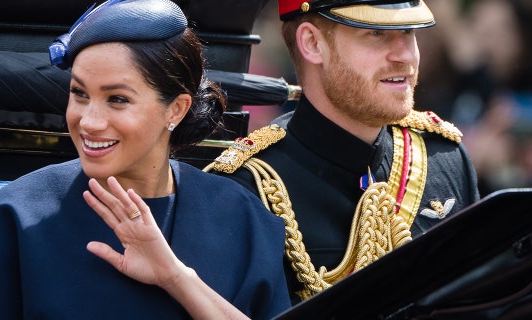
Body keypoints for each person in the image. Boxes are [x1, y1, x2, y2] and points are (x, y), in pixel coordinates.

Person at [0, 0, 291, 319]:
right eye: (79, 94)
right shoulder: (21, 213)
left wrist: (175, 277)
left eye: (118, 99)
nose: (88, 121)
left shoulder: (241, 218)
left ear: (175, 109)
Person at [204, 0, 481, 305]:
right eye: (376, 34)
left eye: (408, 31)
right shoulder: (248, 190)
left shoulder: (443, 158)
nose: (404, 55)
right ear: (312, 43)